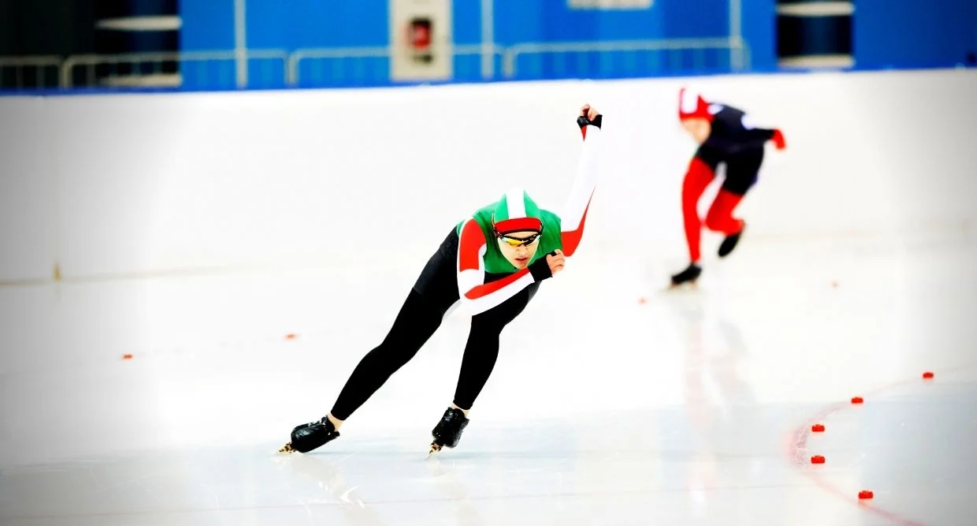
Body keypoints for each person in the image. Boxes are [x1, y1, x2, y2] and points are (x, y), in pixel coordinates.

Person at [280, 104, 604, 455]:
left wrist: (593, 131)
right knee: (398, 346)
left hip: (516, 280)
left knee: (487, 327)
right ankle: (331, 423)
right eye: (512, 241)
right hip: (458, 268)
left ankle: (458, 414)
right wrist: (532, 272)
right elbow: (474, 297)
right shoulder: (474, 234)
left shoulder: (561, 233)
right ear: (495, 235)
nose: (522, 249)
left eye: (530, 240)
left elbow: (585, 183)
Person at [671, 88, 786, 286]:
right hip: (715, 149)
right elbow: (701, 129)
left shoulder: (735, 128)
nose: (695, 135)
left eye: (698, 126)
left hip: (745, 162)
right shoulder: (705, 132)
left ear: (707, 118)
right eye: (688, 129)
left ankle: (736, 227)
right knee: (687, 198)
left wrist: (780, 147)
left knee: (713, 222)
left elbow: (776, 134)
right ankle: (695, 264)